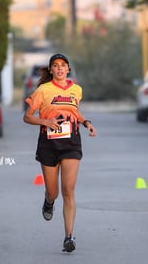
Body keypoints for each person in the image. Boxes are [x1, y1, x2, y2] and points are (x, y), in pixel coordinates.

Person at [23, 53, 96, 253]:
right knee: (54, 191)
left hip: (71, 143)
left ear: (68, 69)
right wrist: (45, 122)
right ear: (51, 70)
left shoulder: (76, 90)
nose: (60, 68)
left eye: (63, 65)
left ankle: (68, 237)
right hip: (48, 144)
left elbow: (75, 112)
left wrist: (86, 122)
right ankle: (48, 201)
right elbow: (27, 117)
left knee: (69, 190)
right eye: (56, 66)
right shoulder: (43, 90)